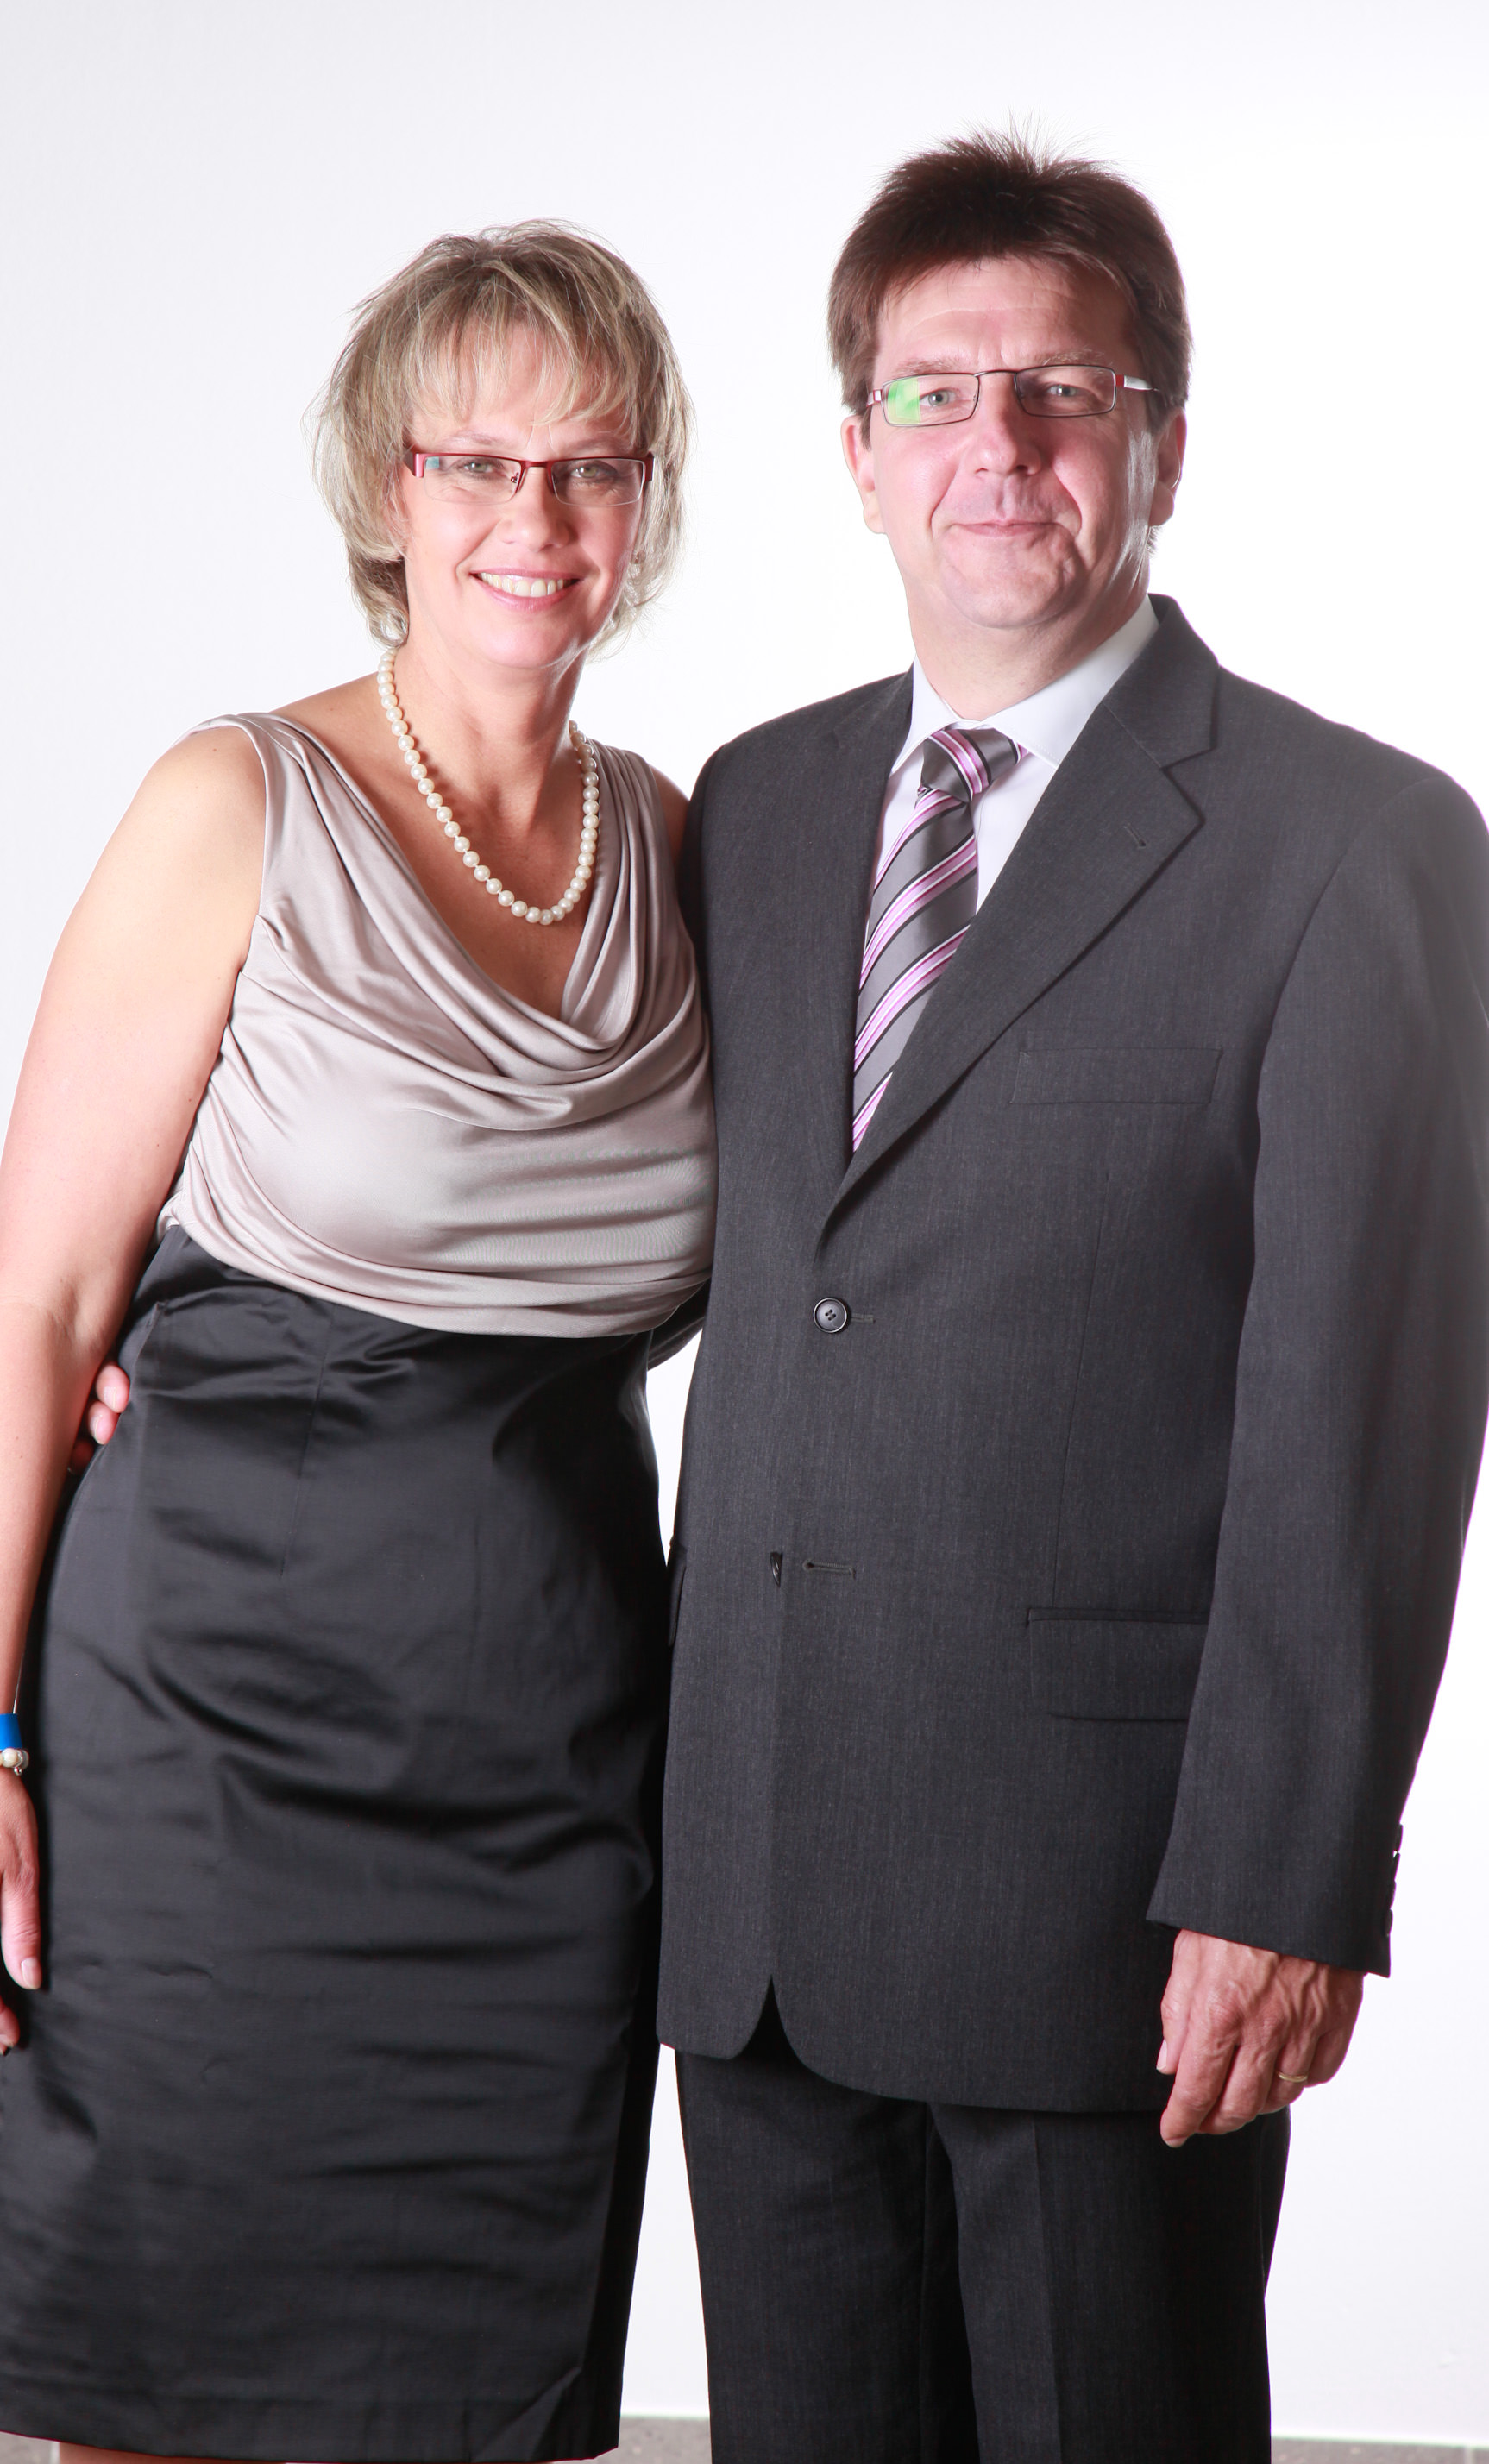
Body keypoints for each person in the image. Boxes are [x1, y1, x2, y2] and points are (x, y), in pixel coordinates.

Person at [659, 133, 1489, 2464]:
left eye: (1063, 389)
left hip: (1109, 1928)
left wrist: (1284, 1880)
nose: (997, 444)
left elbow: (1367, 1414)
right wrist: (226, 1355)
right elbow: (667, 1234)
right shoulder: (756, 810)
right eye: (935, 394)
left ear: (1165, 444)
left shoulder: (1360, 845)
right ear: (858, 455)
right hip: (758, 1903)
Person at [0, 223, 713, 2464]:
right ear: (384, 491)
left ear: (646, 502)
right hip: (207, 1750)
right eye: (476, 463)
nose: (535, 520)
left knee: (479, 2406)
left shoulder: (677, 843)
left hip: (555, 1765)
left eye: (590, 466)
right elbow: (37, 1313)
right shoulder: (232, 803)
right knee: (163, 2402)